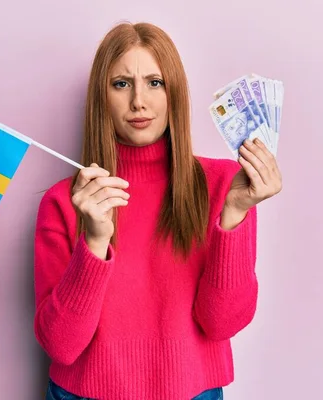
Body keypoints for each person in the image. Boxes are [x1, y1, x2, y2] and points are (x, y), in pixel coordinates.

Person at [33, 20, 283, 400]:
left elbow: (222, 324)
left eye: (155, 82)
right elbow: (61, 346)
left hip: (192, 391)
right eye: (121, 84)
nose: (139, 101)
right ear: (102, 96)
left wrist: (234, 215)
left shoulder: (226, 185)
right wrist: (95, 241)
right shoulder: (64, 202)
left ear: (175, 94)